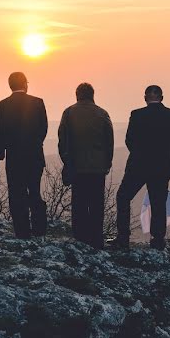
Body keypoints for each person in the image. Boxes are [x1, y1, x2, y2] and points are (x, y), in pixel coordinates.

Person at [113, 85, 170, 250]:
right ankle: (157, 240)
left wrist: (139, 154)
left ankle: (123, 238)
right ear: (162, 97)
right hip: (161, 166)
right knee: (158, 203)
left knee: (123, 197)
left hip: (138, 164)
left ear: (145, 97)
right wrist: (162, 154)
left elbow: (129, 140)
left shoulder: (137, 115)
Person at [58, 83, 114, 249]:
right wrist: (107, 163)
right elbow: (109, 141)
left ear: (77, 95)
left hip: (77, 167)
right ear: (92, 95)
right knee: (96, 204)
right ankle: (96, 239)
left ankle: (80, 238)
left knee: (79, 203)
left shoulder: (68, 113)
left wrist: (67, 161)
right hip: (97, 168)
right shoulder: (103, 114)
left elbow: (63, 139)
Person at [0, 72, 48, 239]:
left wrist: (2, 150)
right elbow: (43, 129)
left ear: (10, 85)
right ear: (25, 83)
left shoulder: (2, 106)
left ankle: (21, 230)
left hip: (14, 156)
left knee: (16, 193)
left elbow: (0, 133)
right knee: (34, 191)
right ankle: (39, 228)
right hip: (34, 155)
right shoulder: (38, 103)